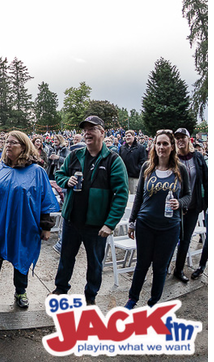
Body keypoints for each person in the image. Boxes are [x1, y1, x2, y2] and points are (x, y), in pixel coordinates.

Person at [0, 131, 60, 308]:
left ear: (23, 146)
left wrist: (46, 227)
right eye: (7, 142)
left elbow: (45, 200)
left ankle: (21, 291)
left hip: (23, 224)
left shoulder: (36, 171)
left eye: (13, 143)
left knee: (21, 256)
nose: (8, 145)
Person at [53, 116, 129, 305]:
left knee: (95, 264)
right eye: (85, 129)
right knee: (66, 258)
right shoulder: (74, 155)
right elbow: (59, 174)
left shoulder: (113, 160)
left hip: (96, 225)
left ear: (102, 132)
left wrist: (110, 224)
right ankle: (61, 289)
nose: (87, 132)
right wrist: (66, 181)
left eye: (92, 129)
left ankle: (90, 296)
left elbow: (121, 194)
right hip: (72, 220)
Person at [124, 130, 191, 309]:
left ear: (172, 146)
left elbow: (188, 196)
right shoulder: (147, 167)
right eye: (158, 143)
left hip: (170, 227)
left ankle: (153, 303)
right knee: (142, 264)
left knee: (160, 267)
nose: (161, 147)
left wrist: (180, 202)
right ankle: (132, 299)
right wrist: (132, 222)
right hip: (145, 224)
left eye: (165, 144)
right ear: (154, 146)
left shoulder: (180, 169)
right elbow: (138, 197)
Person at [172, 128, 208, 282]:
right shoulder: (172, 158)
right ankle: (163, 268)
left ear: (189, 139)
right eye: (177, 138)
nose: (180, 140)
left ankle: (178, 270)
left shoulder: (198, 158)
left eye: (183, 137)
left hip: (193, 207)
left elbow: (206, 181)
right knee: (171, 238)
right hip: (175, 207)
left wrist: (205, 203)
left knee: (186, 240)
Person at [119, 130, 147, 195]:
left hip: (135, 177)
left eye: (129, 136)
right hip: (124, 177)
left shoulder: (140, 148)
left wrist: (137, 169)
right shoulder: (122, 148)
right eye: (126, 136)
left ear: (133, 136)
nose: (127, 138)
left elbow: (143, 161)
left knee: (134, 195)